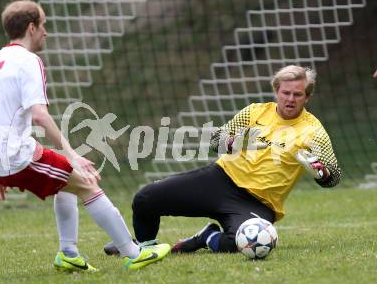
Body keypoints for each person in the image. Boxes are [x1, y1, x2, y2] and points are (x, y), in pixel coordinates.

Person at [0, 0, 170, 271]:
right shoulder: (28, 61)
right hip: (14, 155)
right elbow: (39, 114)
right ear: (31, 28)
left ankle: (68, 253)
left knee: (64, 180)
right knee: (87, 183)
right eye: (43, 25)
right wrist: (73, 154)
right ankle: (133, 253)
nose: (46, 32)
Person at [104, 65, 341, 255]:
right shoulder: (255, 111)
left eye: (297, 94)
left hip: (258, 204)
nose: (290, 99)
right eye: (285, 93)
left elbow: (333, 176)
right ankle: (143, 248)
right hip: (219, 180)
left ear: (307, 98)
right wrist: (233, 142)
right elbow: (216, 139)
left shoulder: (313, 131)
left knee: (244, 244)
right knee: (145, 198)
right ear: (277, 91)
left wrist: (322, 173)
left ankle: (206, 237)